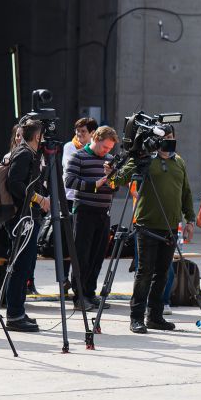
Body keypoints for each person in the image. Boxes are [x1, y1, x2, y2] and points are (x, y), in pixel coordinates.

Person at [127, 128, 193, 333]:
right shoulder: (147, 159)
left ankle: (155, 316)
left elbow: (186, 192)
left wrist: (190, 219)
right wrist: (136, 158)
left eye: (170, 138)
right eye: (162, 139)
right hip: (147, 225)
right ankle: (136, 317)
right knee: (144, 273)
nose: (166, 142)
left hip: (170, 227)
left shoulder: (179, 162)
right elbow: (121, 178)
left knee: (162, 274)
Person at [0, 116, 50, 333]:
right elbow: (15, 184)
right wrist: (40, 199)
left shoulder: (30, 154)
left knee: (24, 265)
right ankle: (14, 315)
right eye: (42, 135)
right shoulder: (25, 153)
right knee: (20, 265)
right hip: (22, 217)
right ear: (37, 136)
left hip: (26, 216)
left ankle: (18, 310)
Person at [64, 124, 119, 311]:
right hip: (84, 211)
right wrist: (94, 185)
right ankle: (79, 297)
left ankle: (90, 293)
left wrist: (111, 178)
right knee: (82, 256)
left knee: (97, 255)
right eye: (104, 147)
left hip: (103, 213)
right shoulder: (78, 156)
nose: (106, 152)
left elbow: (115, 187)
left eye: (110, 149)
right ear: (95, 139)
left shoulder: (110, 160)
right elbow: (69, 181)